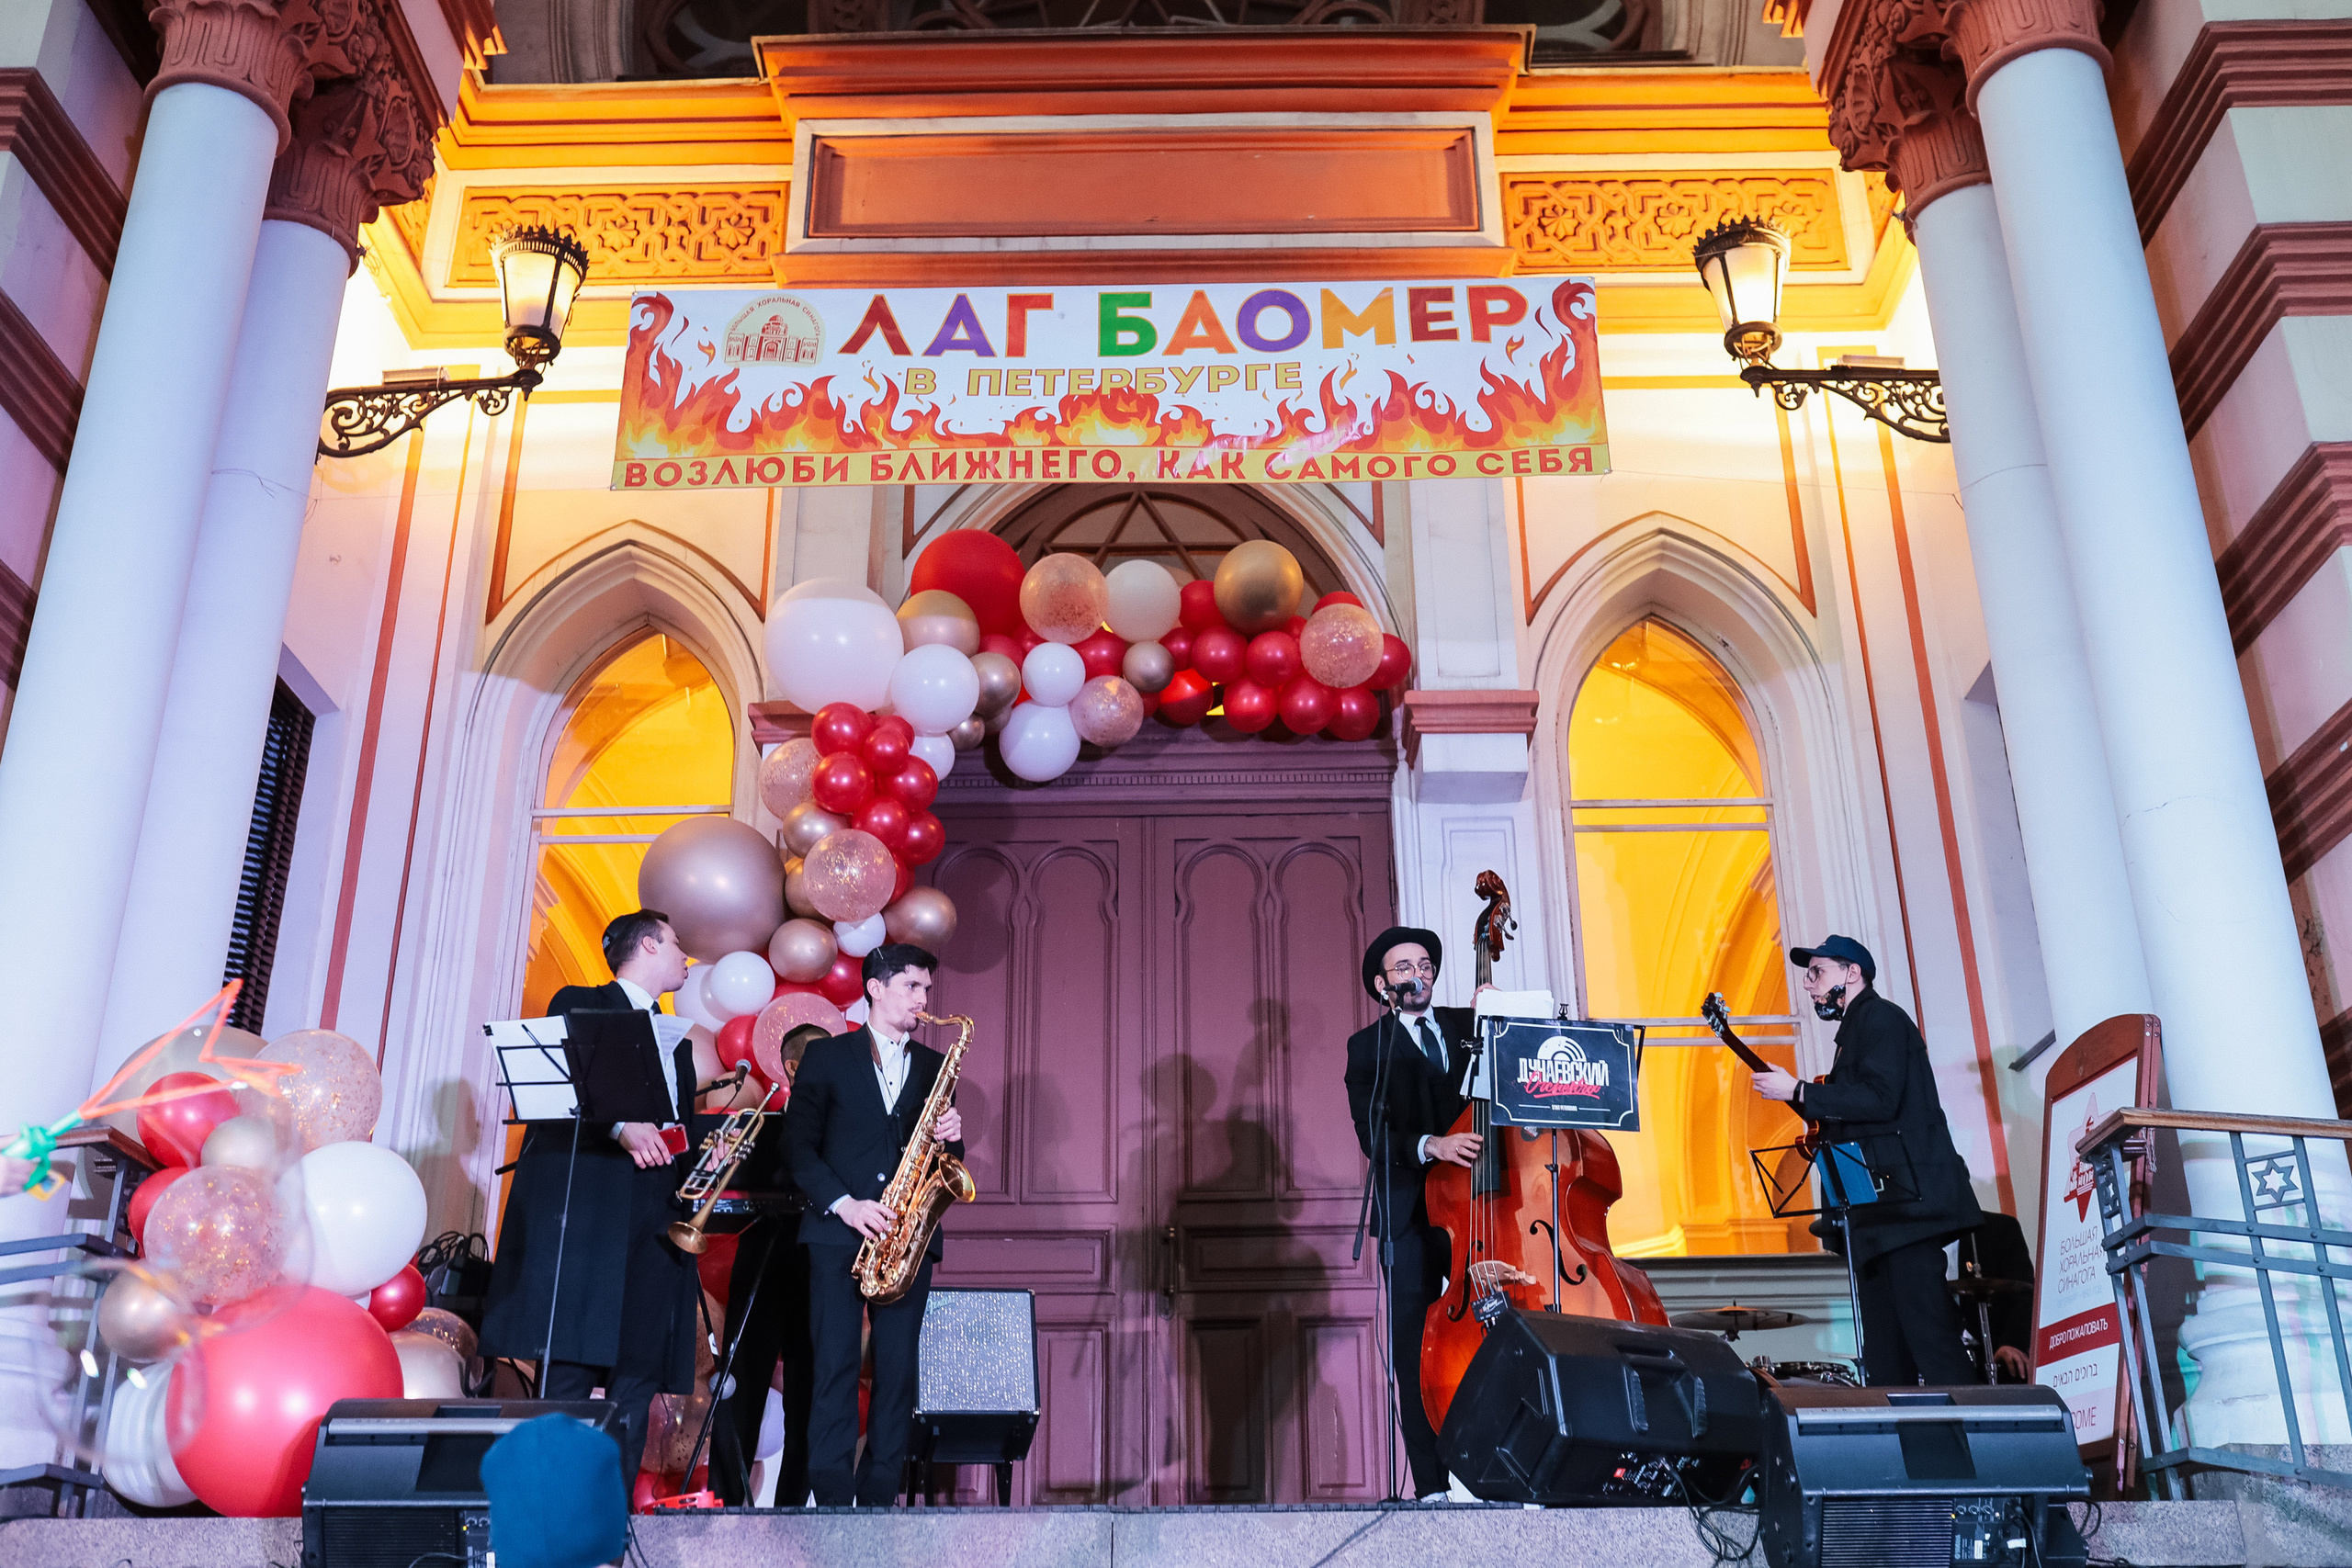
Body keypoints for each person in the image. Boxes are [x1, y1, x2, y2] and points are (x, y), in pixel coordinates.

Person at [481, 908, 703, 1480]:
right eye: (678, 945)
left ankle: (614, 1517)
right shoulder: (581, 1002)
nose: (687, 958)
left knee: (637, 1378)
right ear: (649, 946)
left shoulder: (676, 1042)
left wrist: (704, 1149)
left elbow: (670, 1125)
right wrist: (618, 1127)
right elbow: (569, 1089)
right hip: (587, 1215)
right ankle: (552, 1514)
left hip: (655, 1215)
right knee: (570, 1370)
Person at [1752, 934, 1983, 1386]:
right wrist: (1801, 1096)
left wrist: (1799, 1091)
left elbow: (1879, 1099)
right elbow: (1851, 1113)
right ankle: (1916, 1456)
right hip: (1879, 1220)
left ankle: (1980, 1454)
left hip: (1906, 1216)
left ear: (1851, 973)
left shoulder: (1881, 1019)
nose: (1809, 984)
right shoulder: (1857, 1033)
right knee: (1886, 1367)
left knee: (1934, 1349)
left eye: (1817, 972)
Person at [783, 943, 966, 1507]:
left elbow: (950, 1166)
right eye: (913, 987)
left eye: (928, 990)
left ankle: (881, 1492)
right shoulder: (827, 1058)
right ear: (876, 989)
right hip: (840, 1231)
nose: (924, 1000)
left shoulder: (937, 1067)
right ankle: (834, 1496)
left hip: (907, 1238)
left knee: (897, 1376)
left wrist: (952, 1136)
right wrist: (846, 1204)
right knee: (833, 1367)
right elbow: (798, 1148)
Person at [1343, 926, 1482, 1502]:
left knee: (1489, 1339)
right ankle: (1432, 1487)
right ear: (1383, 984)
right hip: (1408, 1217)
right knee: (1414, 1352)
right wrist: (1433, 1144)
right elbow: (1374, 1137)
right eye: (1403, 968)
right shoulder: (1366, 1049)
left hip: (1478, 1210)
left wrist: (1502, 1017)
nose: (1416, 975)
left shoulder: (1470, 1025)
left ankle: (1495, 1472)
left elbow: (1524, 1068)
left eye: (1424, 965)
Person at [707, 1022, 829, 1507]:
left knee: (812, 1395)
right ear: (794, 1068)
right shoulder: (761, 1123)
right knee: (740, 1387)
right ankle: (726, 1503)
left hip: (819, 1269)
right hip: (763, 1264)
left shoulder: (846, 1129)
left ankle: (792, 1511)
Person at [1958, 1210, 2036, 1382]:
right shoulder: (1910, 1237)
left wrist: (2013, 1343)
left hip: (1992, 1354)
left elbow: (2024, 1293)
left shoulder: (1998, 1227)